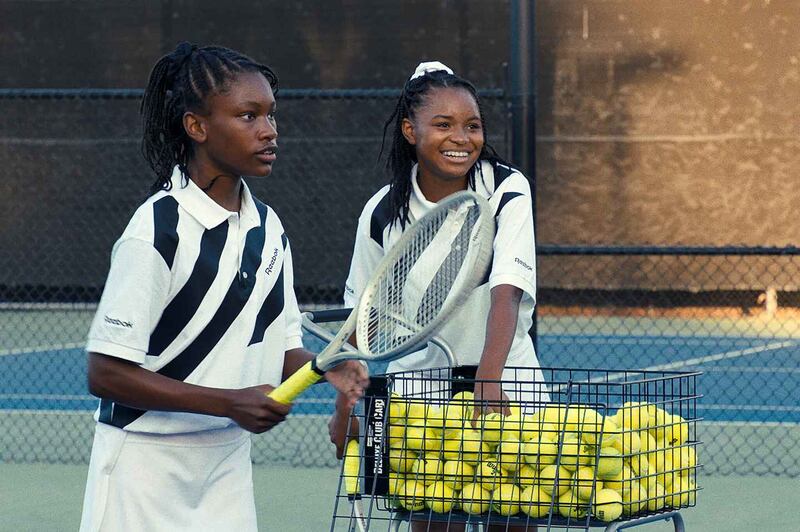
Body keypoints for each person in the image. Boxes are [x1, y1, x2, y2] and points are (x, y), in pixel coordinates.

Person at [79, 42, 368, 532]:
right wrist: (227, 402)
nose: (269, 131)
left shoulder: (269, 228)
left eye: (271, 115)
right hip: (142, 467)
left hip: (228, 467)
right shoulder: (156, 229)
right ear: (198, 127)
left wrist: (331, 370)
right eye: (248, 116)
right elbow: (105, 373)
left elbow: (282, 347)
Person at [328, 61, 546, 530]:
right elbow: (359, 321)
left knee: (515, 521)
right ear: (410, 130)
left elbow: (507, 290)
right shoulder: (381, 211)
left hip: (509, 389)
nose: (461, 138)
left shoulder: (507, 188)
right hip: (421, 401)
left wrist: (490, 377)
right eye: (442, 124)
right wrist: (346, 402)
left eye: (472, 125)